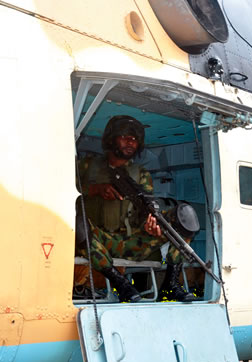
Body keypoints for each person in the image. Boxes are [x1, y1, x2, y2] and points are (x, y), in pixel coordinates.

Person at [82, 115, 196, 303]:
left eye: (135, 139)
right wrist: (94, 189)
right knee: (78, 225)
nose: (131, 142)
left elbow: (143, 212)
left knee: (183, 218)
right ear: (111, 139)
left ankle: (171, 284)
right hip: (98, 239)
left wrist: (148, 226)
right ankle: (121, 284)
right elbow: (61, 187)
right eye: (125, 136)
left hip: (129, 241)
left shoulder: (141, 174)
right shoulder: (87, 165)